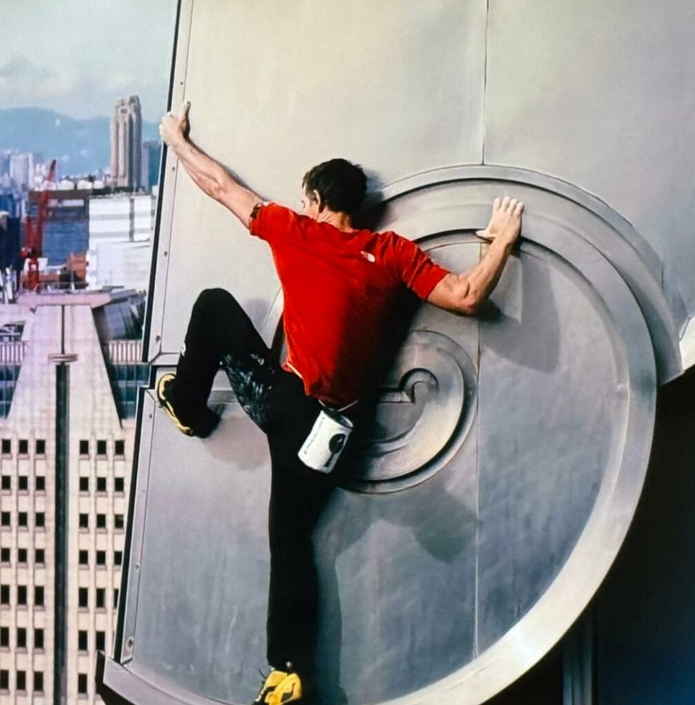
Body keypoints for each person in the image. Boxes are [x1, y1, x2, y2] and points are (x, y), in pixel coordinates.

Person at [157, 101, 524, 705]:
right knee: (291, 539)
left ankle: (187, 406)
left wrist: (175, 139)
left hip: (286, 404)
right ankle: (287, 672)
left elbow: (219, 185)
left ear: (317, 201)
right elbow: (465, 296)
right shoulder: (393, 253)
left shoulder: (295, 231)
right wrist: (502, 241)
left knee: (214, 305)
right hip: (335, 430)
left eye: (306, 200)